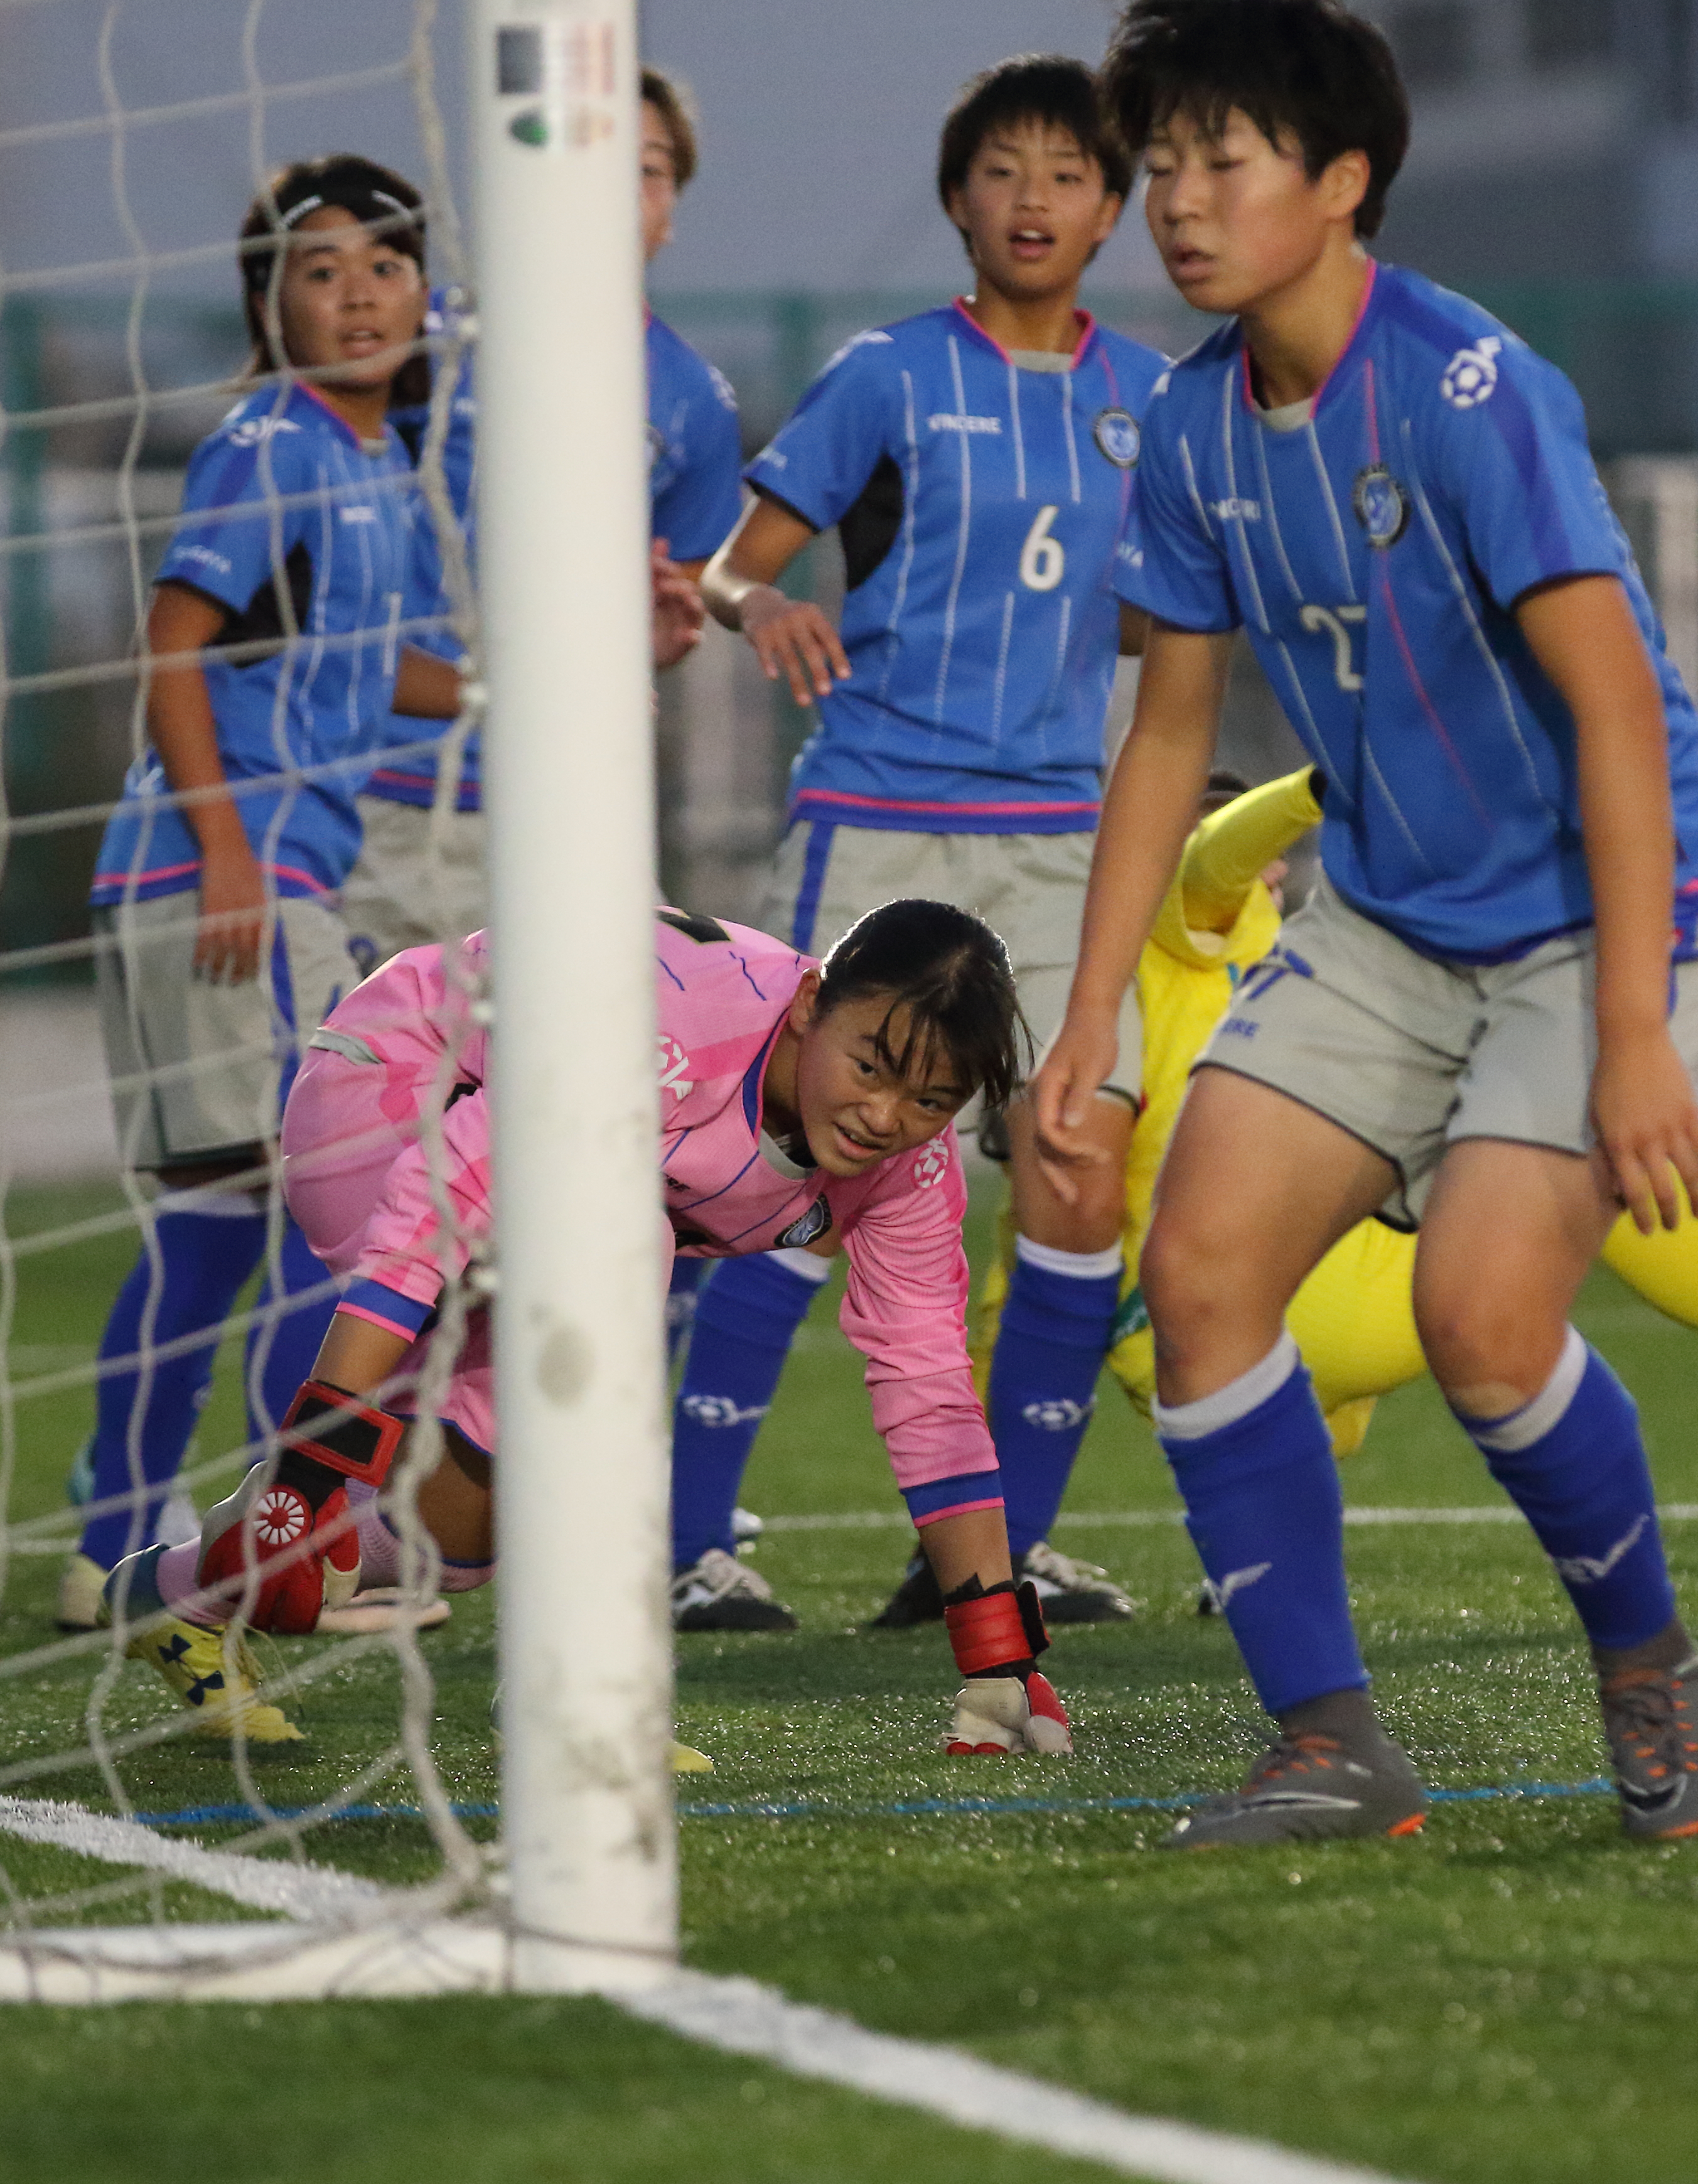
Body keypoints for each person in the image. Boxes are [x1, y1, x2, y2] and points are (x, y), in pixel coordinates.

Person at [1029, 0, 1698, 1850]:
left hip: (1600, 915)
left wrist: (1640, 1028)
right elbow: (1167, 741)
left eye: (1225, 160)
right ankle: (1332, 1743)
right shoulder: (1189, 428)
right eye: (1162, 164)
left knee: (1481, 1324)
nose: (1177, 203)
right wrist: (1089, 1035)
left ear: (1342, 183)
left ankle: (1648, 1662)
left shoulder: (1468, 390)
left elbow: (1611, 709)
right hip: (1389, 919)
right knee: (1194, 1284)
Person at [116, 901, 1077, 1762]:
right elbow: (430, 1207)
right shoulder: (670, 1024)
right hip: (388, 1105)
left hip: (547, 1201)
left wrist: (997, 1651)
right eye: (870, 1066)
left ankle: (177, 1594)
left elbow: (928, 1389)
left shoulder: (908, 1169)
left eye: (929, 1101)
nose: (884, 1116)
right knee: (624, 1243)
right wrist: (314, 1463)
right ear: (808, 1000)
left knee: (468, 1519)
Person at [667, 54, 1169, 1637]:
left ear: (1111, 205)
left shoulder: (1151, 401)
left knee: (1077, 1173)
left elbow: (1172, 631)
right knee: (803, 1169)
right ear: (958, 198)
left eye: (1066, 174)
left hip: (1058, 844)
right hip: (877, 824)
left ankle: (990, 1555)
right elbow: (722, 573)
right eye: (1002, 171)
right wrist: (771, 603)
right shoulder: (888, 374)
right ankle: (682, 1543)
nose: (1033, 200)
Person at [954, 768, 1698, 1576]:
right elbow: (1213, 857)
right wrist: (1318, 786)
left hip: (1175, 1344)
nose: (1280, 876)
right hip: (1282, 1300)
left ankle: (1248, 1550)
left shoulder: (1099, 1011)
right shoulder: (1188, 927)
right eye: (1269, 863)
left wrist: (983, 1509)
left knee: (1343, 1309)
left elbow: (1018, 1280)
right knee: (1595, 1166)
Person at [62, 156, 442, 1633]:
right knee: (326, 1212)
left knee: (213, 1227)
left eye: (383, 267)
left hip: (230, 876)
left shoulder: (367, 462)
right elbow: (172, 643)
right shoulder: (269, 442)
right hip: (231, 878)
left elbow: (359, 665)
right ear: (268, 302)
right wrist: (229, 850)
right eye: (319, 269)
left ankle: (115, 1551)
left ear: (424, 294)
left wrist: (502, 682)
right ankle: (289, 1547)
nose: (356, 294)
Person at [336, 66, 729, 965]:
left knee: (622, 1069)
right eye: (597, 156)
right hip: (387, 794)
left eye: (651, 168)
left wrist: (648, 645)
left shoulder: (691, 403)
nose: (623, 186)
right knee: (373, 1095)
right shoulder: (419, 341)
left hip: (566, 807)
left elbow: (664, 610)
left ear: (671, 207)